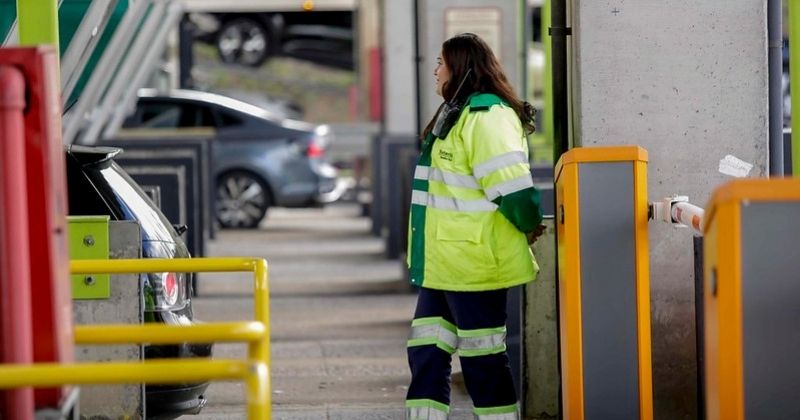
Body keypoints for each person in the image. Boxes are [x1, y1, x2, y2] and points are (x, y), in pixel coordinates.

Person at [405, 33, 545, 420]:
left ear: (462, 68)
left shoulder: (487, 116)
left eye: (441, 63)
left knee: (483, 359)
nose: (436, 70)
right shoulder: (458, 114)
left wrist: (529, 224)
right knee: (426, 351)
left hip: (473, 262)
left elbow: (513, 189)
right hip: (444, 262)